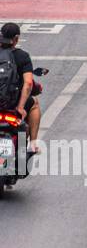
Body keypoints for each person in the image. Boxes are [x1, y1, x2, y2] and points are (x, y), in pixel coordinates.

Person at [0, 23, 39, 157]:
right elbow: (28, 83)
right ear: (16, 38)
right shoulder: (22, 56)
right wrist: (21, 107)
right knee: (34, 103)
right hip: (12, 105)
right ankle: (33, 144)